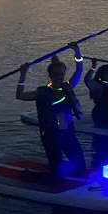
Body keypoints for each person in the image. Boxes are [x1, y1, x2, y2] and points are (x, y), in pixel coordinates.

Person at [16, 44, 86, 178]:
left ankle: (56, 165)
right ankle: (30, 175)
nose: (59, 77)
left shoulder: (68, 87)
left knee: (81, 169)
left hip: (68, 133)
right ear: (50, 75)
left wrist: (77, 52)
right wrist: (23, 74)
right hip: (52, 135)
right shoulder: (42, 92)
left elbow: (79, 70)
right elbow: (20, 95)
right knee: (57, 177)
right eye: (55, 74)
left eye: (61, 74)